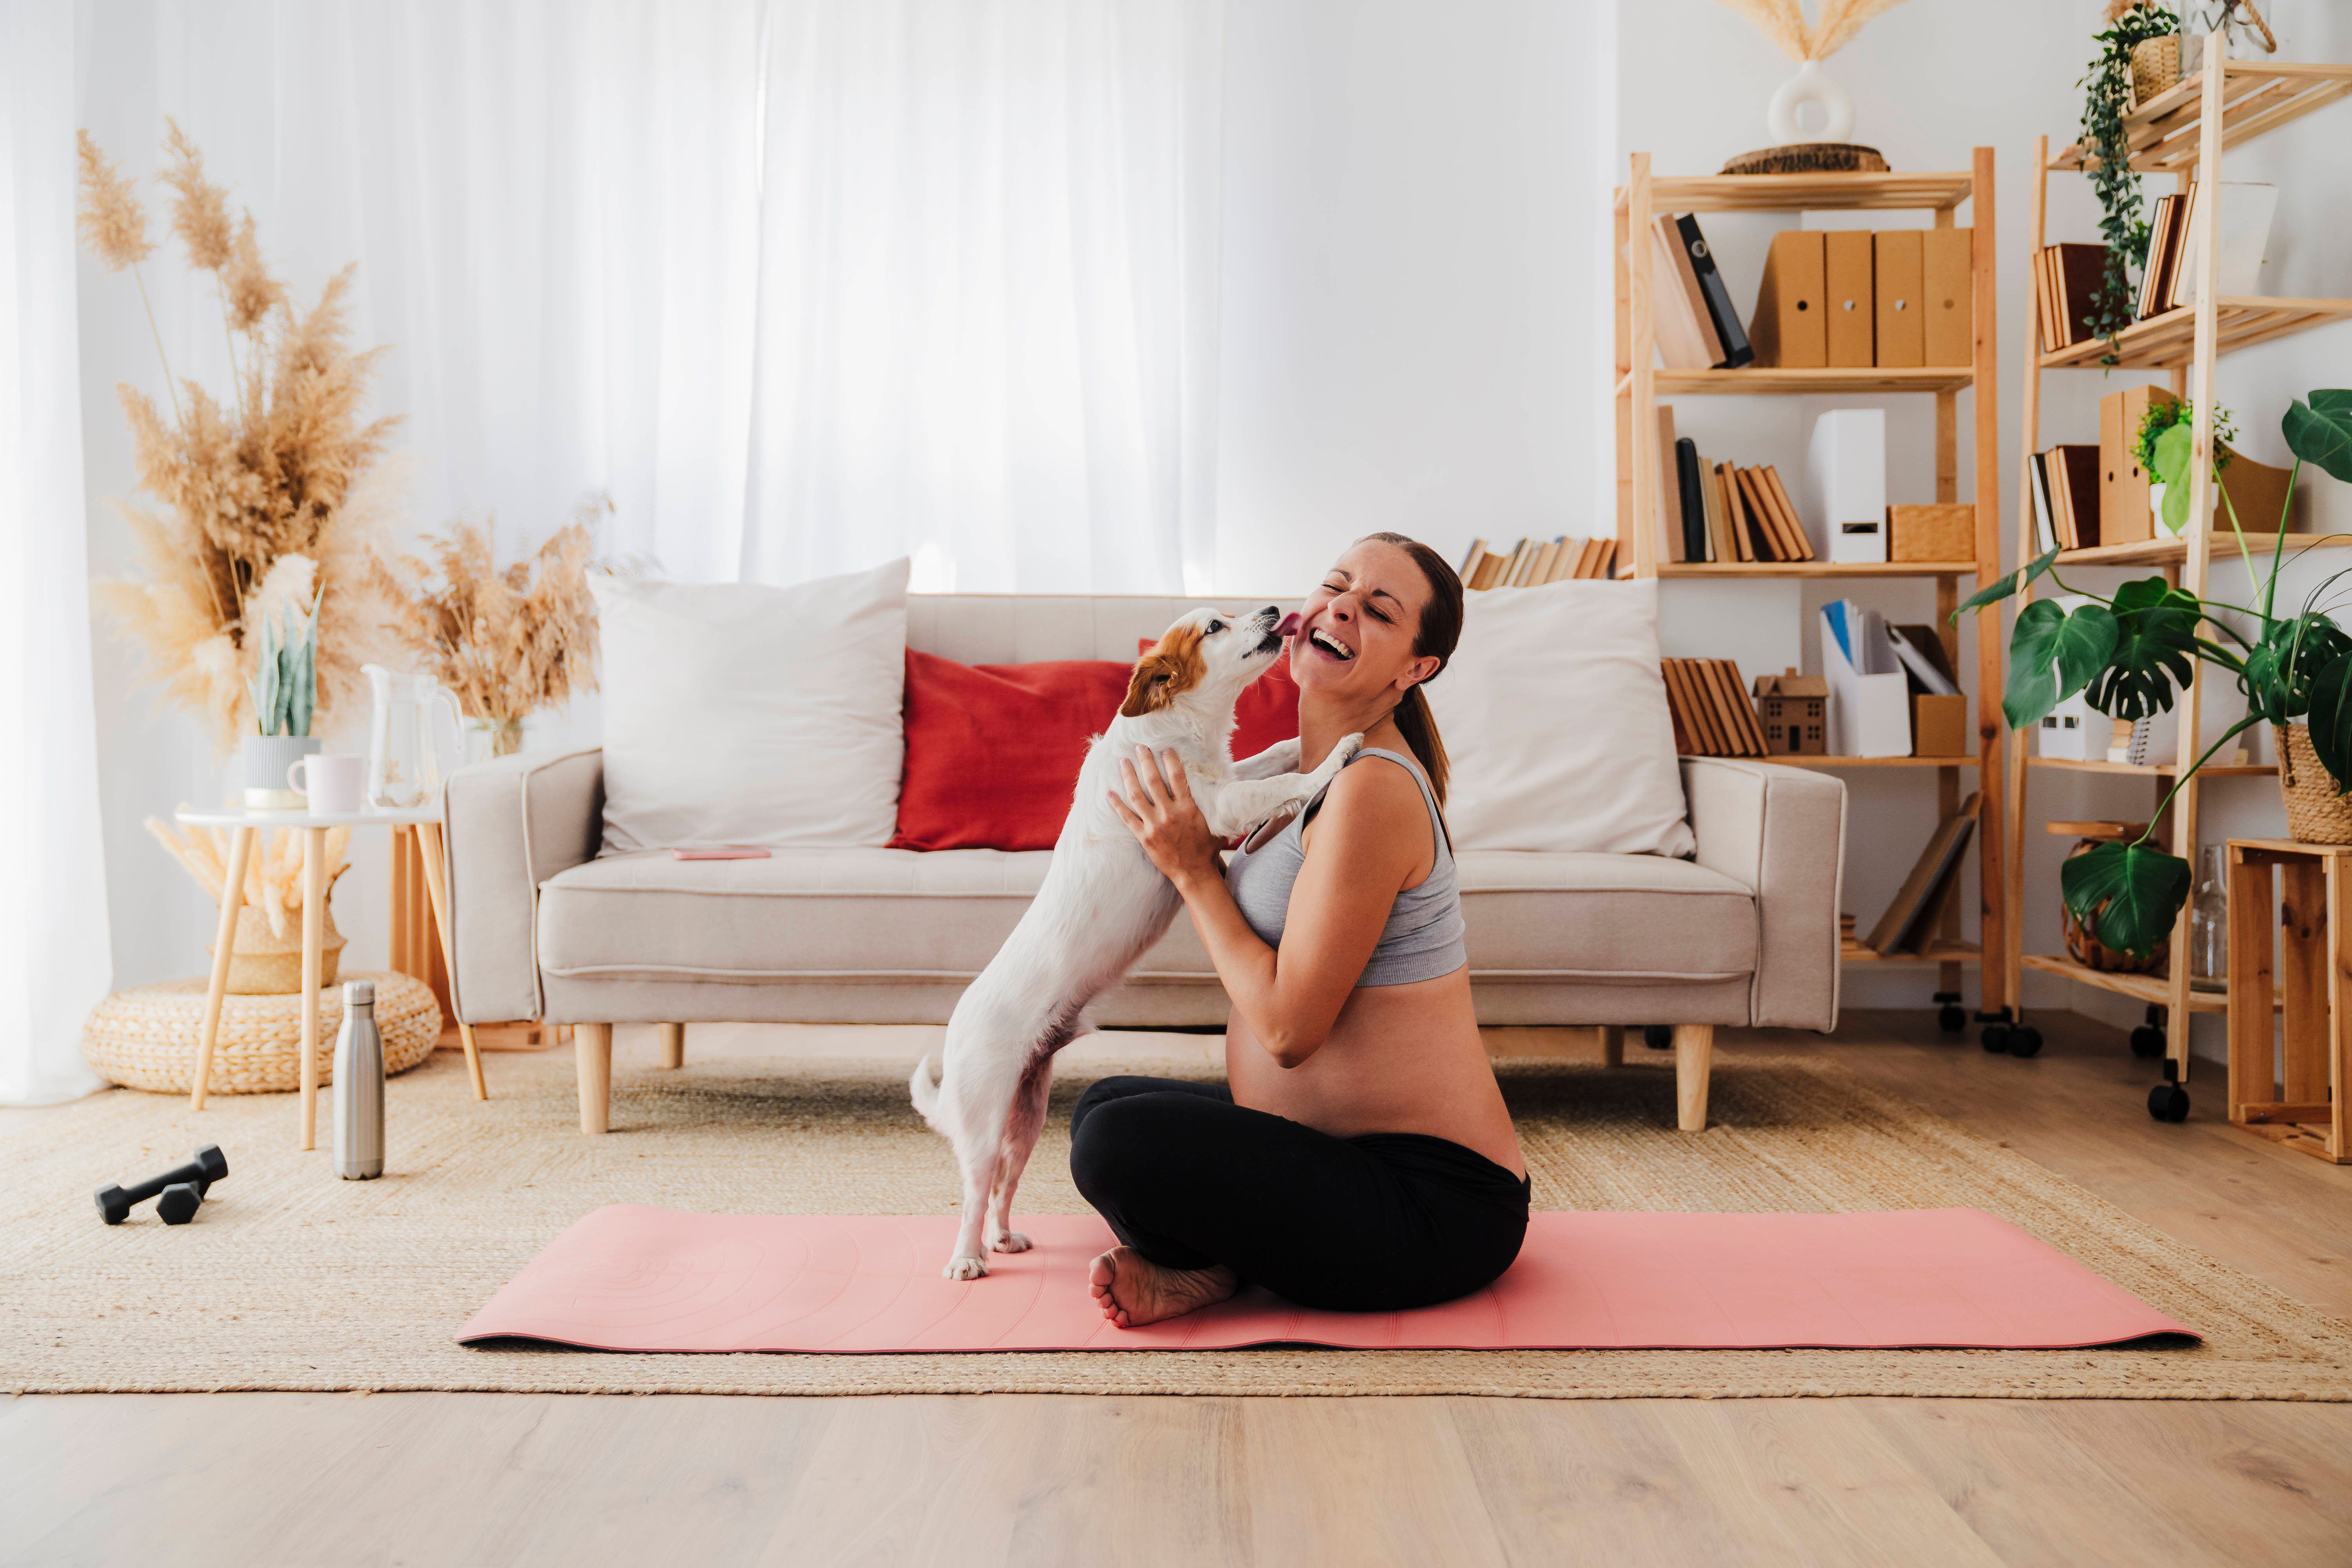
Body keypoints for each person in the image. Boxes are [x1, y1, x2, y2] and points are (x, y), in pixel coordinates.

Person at [1079, 532, 1528, 1327]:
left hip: (1434, 1204)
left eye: (1379, 611)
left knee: (1117, 1140)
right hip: (1332, 1154)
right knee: (1105, 1103)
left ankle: (1215, 1261)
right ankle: (1214, 1266)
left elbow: (1289, 1031)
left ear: (1415, 669)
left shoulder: (1371, 790)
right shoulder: (1306, 775)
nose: (1343, 607)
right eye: (1336, 584)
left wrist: (1193, 870)